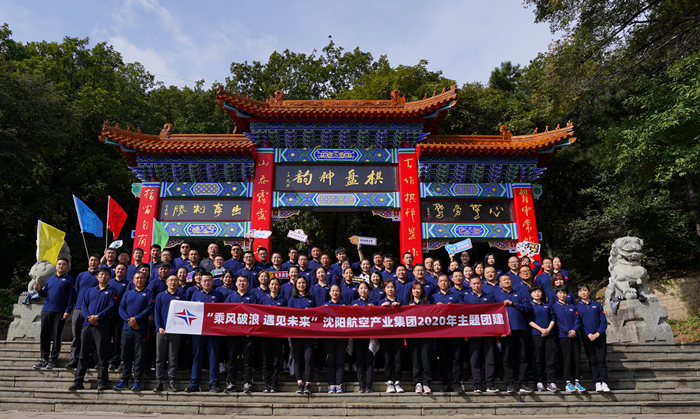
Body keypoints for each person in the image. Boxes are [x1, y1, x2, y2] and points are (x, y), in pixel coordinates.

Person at [69, 267, 117, 391]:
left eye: (106, 275)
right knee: (83, 354)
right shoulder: (90, 290)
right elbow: (84, 305)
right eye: (101, 274)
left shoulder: (112, 291)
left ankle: (102, 381)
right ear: (97, 277)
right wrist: (89, 317)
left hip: (102, 326)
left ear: (109, 277)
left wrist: (98, 317)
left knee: (101, 355)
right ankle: (78, 381)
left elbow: (111, 307)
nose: (103, 277)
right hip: (87, 325)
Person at [113, 271, 153, 391]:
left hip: (140, 329)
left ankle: (137, 381)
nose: (139, 280)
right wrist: (129, 320)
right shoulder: (128, 293)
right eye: (137, 278)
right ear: (133, 280)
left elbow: (149, 308)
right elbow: (121, 308)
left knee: (139, 355)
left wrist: (136, 319)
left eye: (141, 278)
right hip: (127, 329)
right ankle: (124, 380)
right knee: (126, 355)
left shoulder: (149, 293)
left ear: (145, 280)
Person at [494, 274, 533, 393]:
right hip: (505, 331)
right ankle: (509, 383)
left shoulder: (520, 293)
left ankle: (523, 383)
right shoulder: (496, 295)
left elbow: (528, 308)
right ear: (500, 283)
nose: (507, 281)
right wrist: (499, 330)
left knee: (523, 357)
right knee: (507, 358)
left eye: (508, 279)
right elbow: (493, 312)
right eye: (504, 280)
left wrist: (514, 304)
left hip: (520, 329)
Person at [34, 257, 74, 369]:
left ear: (67, 267)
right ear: (56, 266)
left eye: (63, 264)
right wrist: (39, 290)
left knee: (57, 336)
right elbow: (44, 294)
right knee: (44, 335)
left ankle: (53, 359)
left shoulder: (69, 279)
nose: (61, 266)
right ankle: (44, 358)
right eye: (59, 264)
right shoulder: (50, 279)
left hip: (60, 311)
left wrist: (68, 310)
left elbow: (71, 297)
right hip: (47, 310)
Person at [187, 273, 224, 392]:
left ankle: (214, 382)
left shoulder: (219, 295)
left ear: (212, 282)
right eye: (204, 281)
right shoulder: (195, 295)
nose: (206, 283)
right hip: (198, 330)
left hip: (213, 330)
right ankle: (194, 383)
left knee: (213, 356)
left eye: (209, 280)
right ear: (200, 282)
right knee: (197, 356)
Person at [224, 274, 258, 394]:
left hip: (248, 334)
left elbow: (256, 314)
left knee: (248, 360)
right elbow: (225, 313)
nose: (242, 283)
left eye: (244, 281)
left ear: (248, 283)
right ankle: (231, 382)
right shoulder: (230, 297)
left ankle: (247, 383)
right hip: (233, 334)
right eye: (240, 281)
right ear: (236, 283)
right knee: (232, 359)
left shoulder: (252, 297)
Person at [464, 275, 498, 393]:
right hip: (474, 332)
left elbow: (496, 312)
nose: (476, 285)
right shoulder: (467, 298)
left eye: (478, 283)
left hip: (488, 332)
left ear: (481, 283)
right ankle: (477, 384)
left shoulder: (489, 297)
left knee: (490, 358)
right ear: (470, 285)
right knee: (474, 359)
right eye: (474, 284)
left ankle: (490, 384)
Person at [430, 274, 463, 392]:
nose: (443, 283)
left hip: (455, 332)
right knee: (443, 359)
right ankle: (446, 383)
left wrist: (453, 308)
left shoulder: (456, 295)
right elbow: (428, 314)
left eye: (445, 281)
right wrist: (436, 308)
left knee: (456, 359)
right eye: (441, 281)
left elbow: (463, 311)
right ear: (438, 283)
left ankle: (456, 383)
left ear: (449, 283)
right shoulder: (433, 297)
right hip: (441, 333)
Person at [67, 254, 100, 369]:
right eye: (91, 260)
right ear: (88, 262)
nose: (93, 262)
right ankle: (74, 358)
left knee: (90, 336)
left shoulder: (100, 275)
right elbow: (77, 290)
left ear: (99, 263)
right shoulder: (81, 275)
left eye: (95, 260)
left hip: (92, 310)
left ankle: (89, 359)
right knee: (76, 335)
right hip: (79, 308)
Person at [576, 284, 610, 392]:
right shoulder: (577, 307)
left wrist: (598, 333)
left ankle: (604, 382)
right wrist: (588, 334)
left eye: (585, 290)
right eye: (580, 291)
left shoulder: (597, 304)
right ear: (578, 294)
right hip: (587, 338)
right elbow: (579, 323)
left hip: (600, 336)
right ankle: (597, 382)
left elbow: (603, 321)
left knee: (601, 359)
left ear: (589, 292)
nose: (583, 293)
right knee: (592, 360)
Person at [153, 275, 184, 392]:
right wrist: (159, 327)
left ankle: (172, 382)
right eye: (171, 280)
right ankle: (159, 382)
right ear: (166, 282)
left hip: (175, 331)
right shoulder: (160, 296)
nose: (173, 282)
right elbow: (156, 313)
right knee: (159, 357)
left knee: (173, 357)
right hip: (162, 331)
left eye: (175, 280)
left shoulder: (181, 296)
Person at [551, 286, 585, 393]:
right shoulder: (554, 307)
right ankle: (567, 382)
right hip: (563, 336)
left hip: (575, 336)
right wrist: (567, 331)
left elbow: (577, 319)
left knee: (576, 358)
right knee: (566, 358)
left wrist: (574, 330)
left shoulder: (572, 306)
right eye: (560, 293)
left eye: (564, 293)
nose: (562, 295)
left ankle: (577, 381)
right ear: (557, 294)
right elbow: (556, 322)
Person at [287, 276, 315, 394]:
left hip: (309, 334)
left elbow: (316, 314)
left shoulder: (311, 298)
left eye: (303, 283)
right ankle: (299, 383)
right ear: (296, 285)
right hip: (296, 334)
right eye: (299, 283)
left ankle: (308, 383)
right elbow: (289, 315)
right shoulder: (292, 299)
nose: (301, 285)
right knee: (297, 358)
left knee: (308, 358)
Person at [527, 284, 557, 392]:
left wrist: (548, 329)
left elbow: (553, 318)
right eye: (534, 292)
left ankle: (551, 381)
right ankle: (538, 381)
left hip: (549, 334)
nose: (537, 293)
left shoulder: (547, 305)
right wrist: (541, 329)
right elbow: (529, 321)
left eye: (539, 291)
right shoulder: (529, 306)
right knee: (538, 359)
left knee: (550, 359)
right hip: (536, 334)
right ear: (531, 294)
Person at [260, 277, 286, 392]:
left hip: (278, 335)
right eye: (272, 284)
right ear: (269, 286)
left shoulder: (283, 300)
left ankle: (274, 384)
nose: (274, 286)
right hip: (265, 335)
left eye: (276, 284)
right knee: (266, 360)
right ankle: (266, 384)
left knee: (276, 361)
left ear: (279, 286)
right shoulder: (263, 299)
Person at [378, 279, 404, 393]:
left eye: (392, 287)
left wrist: (400, 307)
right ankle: (389, 381)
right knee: (388, 359)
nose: (390, 289)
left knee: (398, 359)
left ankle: (397, 381)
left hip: (398, 334)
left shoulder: (400, 301)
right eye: (388, 287)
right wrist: (381, 308)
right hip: (386, 335)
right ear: (384, 289)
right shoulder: (381, 301)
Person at [407, 282, 432, 394]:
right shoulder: (408, 304)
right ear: (411, 291)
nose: (416, 291)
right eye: (414, 289)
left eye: (418, 289)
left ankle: (426, 382)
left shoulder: (428, 303)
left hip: (426, 335)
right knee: (415, 360)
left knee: (426, 359)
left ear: (422, 291)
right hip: (413, 336)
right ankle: (417, 382)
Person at [322, 284, 346, 393]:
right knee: (330, 360)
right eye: (333, 291)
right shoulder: (325, 306)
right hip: (329, 337)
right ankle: (331, 384)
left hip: (341, 337)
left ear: (340, 293)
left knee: (340, 360)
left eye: (337, 291)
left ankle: (339, 384)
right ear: (329, 293)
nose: (335, 293)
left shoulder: (344, 306)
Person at [352, 282, 375, 393]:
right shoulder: (354, 303)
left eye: (365, 288)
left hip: (370, 336)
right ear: (358, 290)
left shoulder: (373, 302)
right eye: (361, 288)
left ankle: (369, 385)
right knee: (360, 361)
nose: (363, 290)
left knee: (369, 361)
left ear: (368, 290)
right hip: (358, 335)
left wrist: (374, 309)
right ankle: (361, 385)